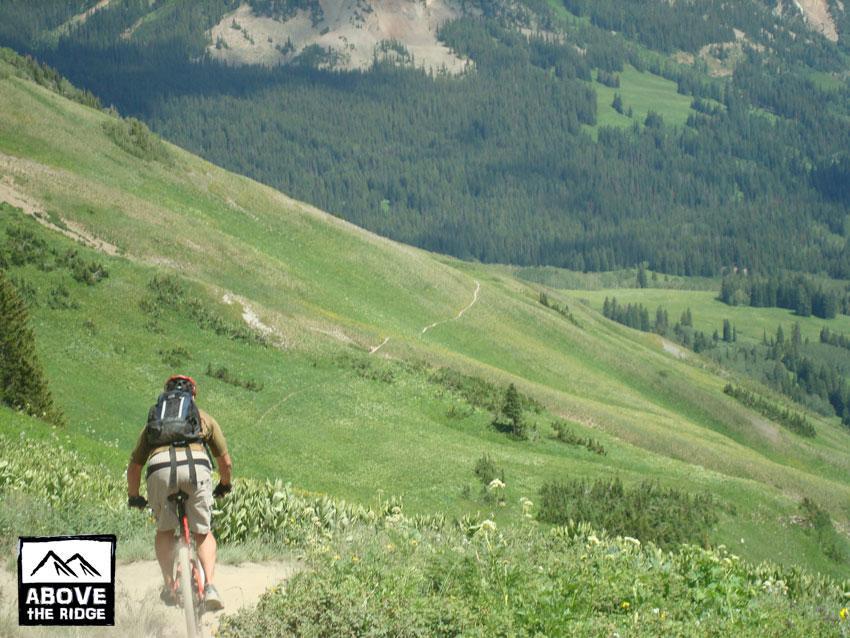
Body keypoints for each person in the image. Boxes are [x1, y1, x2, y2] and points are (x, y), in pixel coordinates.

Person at [126, 375, 233, 611]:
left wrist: (134, 496)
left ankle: (168, 586)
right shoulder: (203, 418)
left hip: (160, 469)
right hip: (195, 468)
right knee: (202, 532)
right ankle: (211, 586)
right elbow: (225, 461)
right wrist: (225, 484)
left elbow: (134, 466)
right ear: (193, 395)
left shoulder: (155, 422)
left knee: (164, 529)